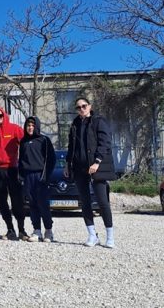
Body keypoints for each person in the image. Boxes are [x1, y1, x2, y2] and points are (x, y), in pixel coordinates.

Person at [65, 97, 116, 248]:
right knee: (85, 202)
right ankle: (92, 235)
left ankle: (110, 237)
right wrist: (68, 164)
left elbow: (105, 143)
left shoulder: (98, 121)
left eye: (84, 106)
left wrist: (97, 162)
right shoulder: (75, 124)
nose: (81, 109)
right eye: (78, 107)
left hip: (96, 167)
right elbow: (71, 146)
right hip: (79, 168)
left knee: (102, 202)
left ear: (90, 106)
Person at [0, 107, 27, 241]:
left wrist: (25, 164)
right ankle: (10, 229)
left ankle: (21, 230)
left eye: (0, 115)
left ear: (4, 115)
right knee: (1, 201)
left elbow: (26, 145)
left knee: (17, 200)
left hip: (12, 169)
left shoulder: (15, 129)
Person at [19, 116, 56, 243]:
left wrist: (46, 175)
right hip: (28, 177)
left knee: (43, 204)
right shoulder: (23, 141)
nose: (30, 128)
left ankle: (48, 230)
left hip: (41, 176)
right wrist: (21, 176)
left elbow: (51, 160)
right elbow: (21, 160)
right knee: (32, 204)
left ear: (37, 127)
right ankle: (37, 230)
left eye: (32, 126)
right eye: (28, 126)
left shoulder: (44, 140)